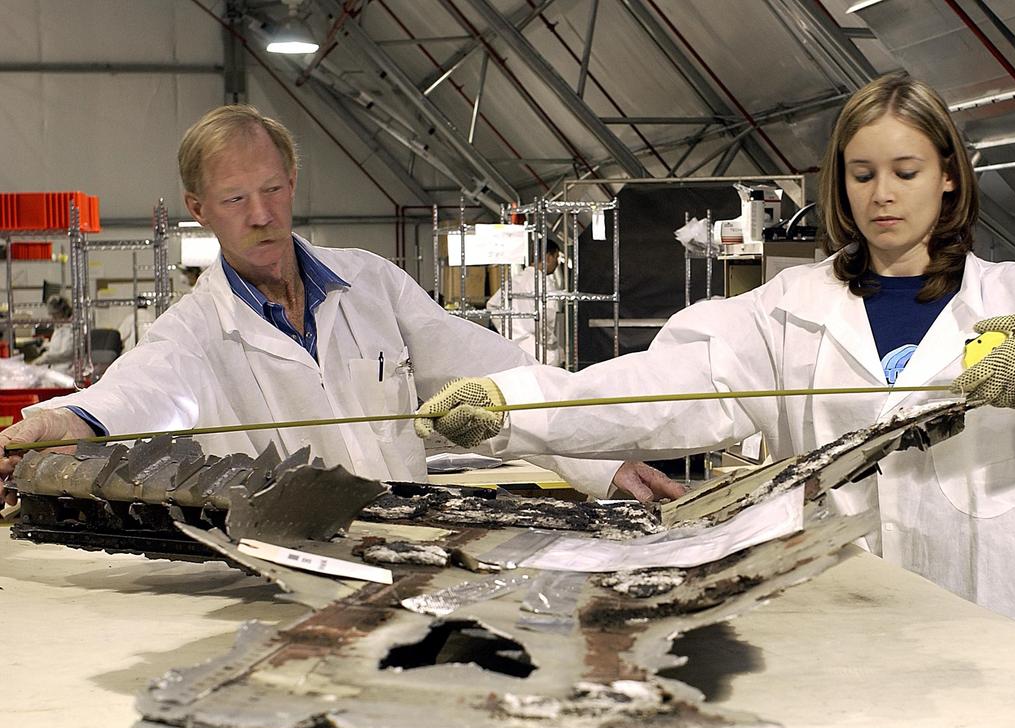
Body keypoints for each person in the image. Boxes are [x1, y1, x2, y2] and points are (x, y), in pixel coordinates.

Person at [415, 72, 1015, 653]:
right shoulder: (786, 313)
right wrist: (514, 406)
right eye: (862, 173)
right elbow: (654, 389)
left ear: (949, 178)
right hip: (851, 619)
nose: (883, 194)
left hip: (1012, 625)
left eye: (906, 172)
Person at [0, 105, 681, 505]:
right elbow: (141, 394)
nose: (261, 215)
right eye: (235, 200)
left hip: (412, 550)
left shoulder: (371, 284)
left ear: (293, 181)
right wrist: (60, 421)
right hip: (286, 579)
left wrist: (597, 459)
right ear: (198, 209)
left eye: (273, 189)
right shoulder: (195, 333)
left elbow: (497, 379)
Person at [486, 239, 564, 366]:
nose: (557, 263)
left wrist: (514, 334)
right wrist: (547, 343)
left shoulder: (515, 280)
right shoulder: (545, 284)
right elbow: (547, 320)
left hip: (514, 351)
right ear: (548, 257)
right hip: (540, 354)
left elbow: (493, 305)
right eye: (556, 257)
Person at [31, 296, 75, 374]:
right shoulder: (60, 326)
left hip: (65, 372)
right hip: (56, 369)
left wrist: (44, 359)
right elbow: (59, 345)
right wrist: (46, 345)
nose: (52, 318)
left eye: (54, 315)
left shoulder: (71, 328)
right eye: (51, 314)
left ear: (62, 312)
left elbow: (66, 354)